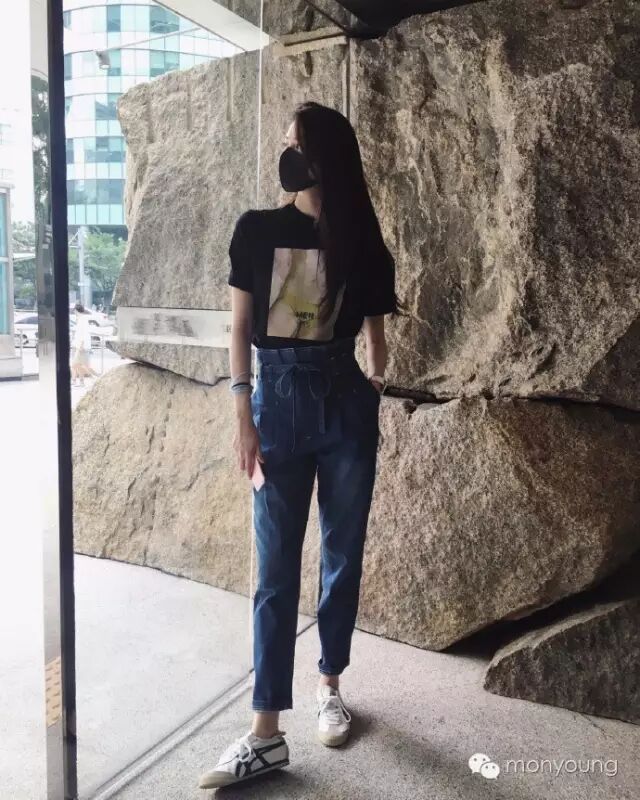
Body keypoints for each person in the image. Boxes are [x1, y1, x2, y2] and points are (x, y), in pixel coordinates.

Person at [199, 101, 402, 790]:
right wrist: (242, 414)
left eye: (298, 145)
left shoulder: (362, 238)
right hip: (277, 405)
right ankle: (265, 732)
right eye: (287, 143)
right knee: (275, 570)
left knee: (343, 555)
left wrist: (375, 383)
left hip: (345, 404)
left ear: (327, 160)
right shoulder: (257, 230)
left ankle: (330, 685)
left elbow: (375, 333)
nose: (288, 155)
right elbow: (239, 329)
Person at [71, 303, 98, 386]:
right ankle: (81, 381)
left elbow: (84, 334)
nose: (74, 312)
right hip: (79, 346)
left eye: (74, 310)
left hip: (81, 346)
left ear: (76, 310)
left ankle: (95, 377)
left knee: (76, 365)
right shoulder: (80, 319)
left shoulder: (82, 319)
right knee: (80, 365)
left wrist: (81, 345)